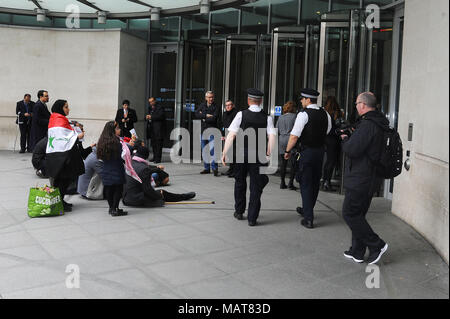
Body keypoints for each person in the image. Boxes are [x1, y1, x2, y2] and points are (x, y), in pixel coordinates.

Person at [339, 92, 389, 265]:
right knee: (358, 214)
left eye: (356, 103)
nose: (355, 106)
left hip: (362, 177)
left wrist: (345, 139)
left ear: (362, 104)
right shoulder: (377, 122)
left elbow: (352, 150)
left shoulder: (368, 125)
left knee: (349, 213)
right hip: (369, 176)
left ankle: (377, 245)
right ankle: (357, 251)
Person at [222, 88, 276, 227]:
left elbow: (232, 134)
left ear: (248, 100)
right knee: (256, 187)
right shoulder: (267, 117)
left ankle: (239, 211)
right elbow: (272, 136)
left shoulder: (241, 114)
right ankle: (252, 218)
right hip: (259, 156)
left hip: (242, 154)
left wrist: (224, 152)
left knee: (240, 182)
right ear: (261, 101)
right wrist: (269, 153)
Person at [284, 89, 332, 229]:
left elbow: (294, 136)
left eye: (302, 99)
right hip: (320, 152)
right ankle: (307, 209)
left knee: (305, 182)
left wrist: (287, 151)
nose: (301, 101)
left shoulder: (303, 114)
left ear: (308, 100)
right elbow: (327, 131)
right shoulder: (325, 114)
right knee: (315, 182)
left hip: (307, 152)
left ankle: (308, 218)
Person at [45, 100, 91, 212]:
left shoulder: (57, 118)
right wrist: (78, 136)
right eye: (66, 107)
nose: (68, 109)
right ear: (60, 108)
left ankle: (60, 200)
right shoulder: (58, 119)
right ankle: (59, 201)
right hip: (62, 156)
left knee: (63, 180)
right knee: (63, 180)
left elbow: (65, 133)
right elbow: (63, 138)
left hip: (61, 155)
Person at [123, 145, 196, 208]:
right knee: (162, 193)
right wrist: (159, 195)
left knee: (158, 192)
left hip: (126, 198)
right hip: (136, 199)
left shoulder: (130, 163)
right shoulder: (144, 168)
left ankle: (183, 196)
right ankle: (184, 196)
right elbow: (147, 189)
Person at [96, 121, 128, 216]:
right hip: (116, 168)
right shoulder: (116, 142)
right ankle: (115, 208)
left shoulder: (102, 141)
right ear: (112, 130)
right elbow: (121, 155)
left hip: (106, 168)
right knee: (118, 188)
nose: (119, 130)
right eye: (117, 128)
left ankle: (111, 208)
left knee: (109, 188)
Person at [322, 96, 344, 192]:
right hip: (334, 139)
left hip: (325, 138)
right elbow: (340, 126)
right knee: (331, 161)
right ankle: (327, 182)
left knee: (327, 162)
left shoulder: (324, 113)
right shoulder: (337, 113)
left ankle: (324, 181)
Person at [195, 91, 220, 176]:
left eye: (212, 97)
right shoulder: (202, 105)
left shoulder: (216, 106)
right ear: (206, 98)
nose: (211, 99)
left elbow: (214, 118)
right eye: (209, 97)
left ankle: (214, 168)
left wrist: (203, 117)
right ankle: (206, 168)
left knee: (213, 150)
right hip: (203, 131)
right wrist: (206, 116)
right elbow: (196, 114)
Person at [276, 101, 298, 190]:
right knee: (293, 163)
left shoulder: (280, 117)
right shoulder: (294, 117)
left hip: (281, 139)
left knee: (283, 163)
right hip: (290, 140)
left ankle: (282, 182)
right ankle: (290, 183)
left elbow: (276, 129)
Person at [221, 100, 239, 177]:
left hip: (235, 136)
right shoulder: (225, 114)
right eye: (226, 105)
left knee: (234, 154)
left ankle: (235, 171)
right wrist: (223, 135)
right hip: (227, 135)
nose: (228, 107)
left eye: (229, 105)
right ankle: (231, 170)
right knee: (229, 153)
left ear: (233, 105)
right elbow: (223, 125)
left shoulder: (236, 114)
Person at [146, 97, 166, 163]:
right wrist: (147, 117)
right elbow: (149, 116)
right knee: (153, 144)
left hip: (158, 129)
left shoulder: (160, 107)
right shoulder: (150, 108)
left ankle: (158, 159)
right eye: (150, 102)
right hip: (151, 128)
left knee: (158, 144)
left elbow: (161, 116)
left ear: (155, 101)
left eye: (152, 101)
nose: (151, 103)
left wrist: (151, 117)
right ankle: (154, 157)